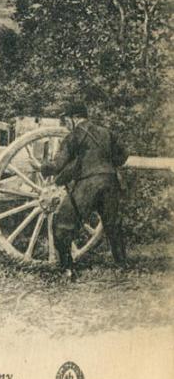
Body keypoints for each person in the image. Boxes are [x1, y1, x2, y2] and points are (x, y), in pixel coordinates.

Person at [38, 101, 128, 280]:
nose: (65, 123)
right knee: (113, 225)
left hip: (89, 185)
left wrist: (43, 167)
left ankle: (68, 269)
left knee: (62, 224)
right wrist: (107, 166)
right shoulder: (106, 133)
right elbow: (123, 155)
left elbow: (57, 165)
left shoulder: (73, 137)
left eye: (66, 119)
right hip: (110, 183)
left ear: (74, 118)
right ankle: (122, 265)